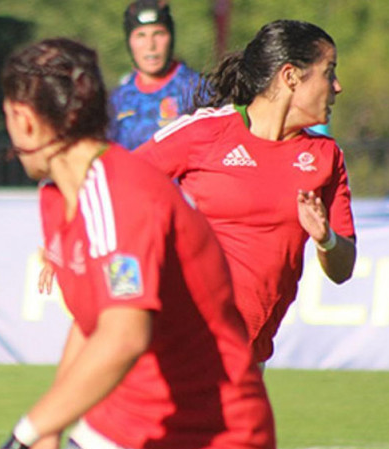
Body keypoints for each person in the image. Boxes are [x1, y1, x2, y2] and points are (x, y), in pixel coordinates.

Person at [0, 38, 274, 449]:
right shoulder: (55, 196)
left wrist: (23, 436)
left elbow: (124, 336)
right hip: (117, 427)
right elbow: (93, 323)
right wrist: (50, 427)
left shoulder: (118, 191)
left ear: (24, 119)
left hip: (208, 440)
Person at [135, 19, 357, 365]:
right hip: (182, 340)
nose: (338, 86)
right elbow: (116, 180)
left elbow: (343, 269)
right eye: (329, 72)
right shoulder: (205, 132)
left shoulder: (326, 158)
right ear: (290, 76)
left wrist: (325, 238)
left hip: (249, 357)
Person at [107, 0, 200, 150]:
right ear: (129, 42)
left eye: (158, 34)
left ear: (171, 37)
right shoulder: (118, 99)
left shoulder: (197, 90)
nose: (150, 45)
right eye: (141, 35)